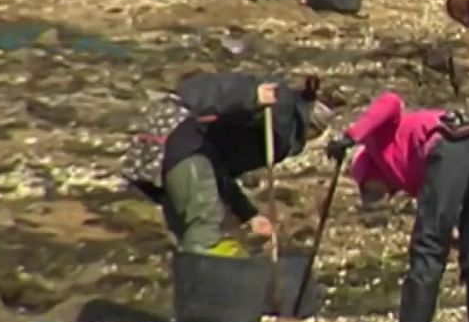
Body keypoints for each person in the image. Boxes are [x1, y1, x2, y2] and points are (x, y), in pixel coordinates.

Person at [325, 95, 469, 322]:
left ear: (370, 173)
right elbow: (446, 200)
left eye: (367, 189)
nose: (371, 197)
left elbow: (389, 102)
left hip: (452, 146)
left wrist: (351, 136)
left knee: (428, 246)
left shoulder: (377, 144)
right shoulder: (410, 171)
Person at [123, 72, 331, 256]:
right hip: (185, 143)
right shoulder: (280, 111)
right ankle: (208, 287)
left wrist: (249, 215)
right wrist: (252, 99)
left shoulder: (227, 139)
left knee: (187, 232)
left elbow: (218, 172)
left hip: (171, 147)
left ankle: (195, 289)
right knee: (204, 226)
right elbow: (223, 95)